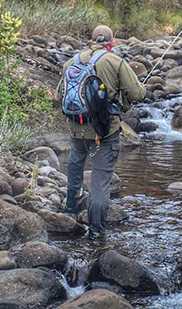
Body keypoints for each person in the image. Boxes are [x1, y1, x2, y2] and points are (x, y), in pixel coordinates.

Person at [56, 25, 146, 240]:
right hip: (105, 131)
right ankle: (96, 231)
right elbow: (138, 94)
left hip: (77, 128)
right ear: (111, 43)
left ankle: (70, 207)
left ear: (90, 42)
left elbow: (59, 96)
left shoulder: (71, 62)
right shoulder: (115, 61)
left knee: (76, 163)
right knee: (100, 178)